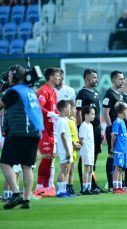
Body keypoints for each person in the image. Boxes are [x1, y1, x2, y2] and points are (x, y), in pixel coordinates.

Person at [0, 65, 43, 209]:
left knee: (6, 163)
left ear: (16, 76)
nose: (8, 78)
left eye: (10, 76)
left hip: (19, 132)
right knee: (27, 166)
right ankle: (26, 200)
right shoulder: (31, 91)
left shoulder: (14, 92)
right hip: (34, 133)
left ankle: (16, 193)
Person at [76, 69, 104, 193]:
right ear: (87, 78)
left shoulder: (96, 92)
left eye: (96, 77)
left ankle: (92, 183)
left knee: (93, 158)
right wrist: (79, 128)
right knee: (84, 157)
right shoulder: (82, 94)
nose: (96, 80)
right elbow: (78, 112)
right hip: (86, 130)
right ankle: (85, 185)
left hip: (96, 129)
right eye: (94, 78)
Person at [35, 67, 61, 197]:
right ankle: (39, 187)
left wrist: (59, 115)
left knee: (50, 158)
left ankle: (47, 186)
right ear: (50, 77)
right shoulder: (43, 90)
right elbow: (38, 107)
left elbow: (54, 109)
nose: (59, 78)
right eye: (57, 75)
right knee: (46, 156)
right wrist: (50, 113)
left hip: (52, 130)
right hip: (43, 129)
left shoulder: (53, 91)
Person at [103, 70, 125, 191]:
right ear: (114, 80)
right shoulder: (109, 94)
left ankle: (118, 183)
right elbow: (105, 113)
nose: (122, 81)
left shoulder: (120, 95)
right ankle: (111, 183)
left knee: (119, 156)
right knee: (112, 155)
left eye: (123, 79)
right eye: (120, 79)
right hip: (113, 130)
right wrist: (111, 128)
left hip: (120, 131)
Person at [55, 100, 74, 198]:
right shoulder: (61, 121)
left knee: (66, 170)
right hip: (64, 149)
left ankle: (63, 190)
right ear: (63, 108)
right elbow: (62, 136)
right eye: (68, 108)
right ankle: (60, 191)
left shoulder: (64, 119)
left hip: (68, 148)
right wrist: (67, 150)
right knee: (63, 169)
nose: (70, 110)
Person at [111, 102, 127, 194]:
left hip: (124, 149)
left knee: (121, 168)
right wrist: (112, 148)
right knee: (117, 168)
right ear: (122, 111)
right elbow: (113, 136)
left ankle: (120, 186)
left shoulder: (122, 122)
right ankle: (115, 188)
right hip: (119, 149)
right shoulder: (117, 122)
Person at [79, 106, 96, 195]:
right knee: (86, 169)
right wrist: (84, 149)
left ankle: (89, 187)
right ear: (86, 115)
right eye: (92, 114)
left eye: (94, 114)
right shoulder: (83, 125)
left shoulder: (91, 125)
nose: (94, 116)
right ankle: (85, 188)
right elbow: (81, 139)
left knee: (90, 169)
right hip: (86, 151)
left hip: (91, 150)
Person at [66, 100, 81, 194]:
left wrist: (78, 141)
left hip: (75, 147)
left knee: (72, 168)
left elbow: (75, 133)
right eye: (74, 108)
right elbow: (66, 135)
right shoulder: (66, 121)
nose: (75, 110)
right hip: (70, 147)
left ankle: (70, 187)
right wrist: (73, 143)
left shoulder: (73, 120)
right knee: (67, 168)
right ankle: (66, 187)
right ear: (69, 108)